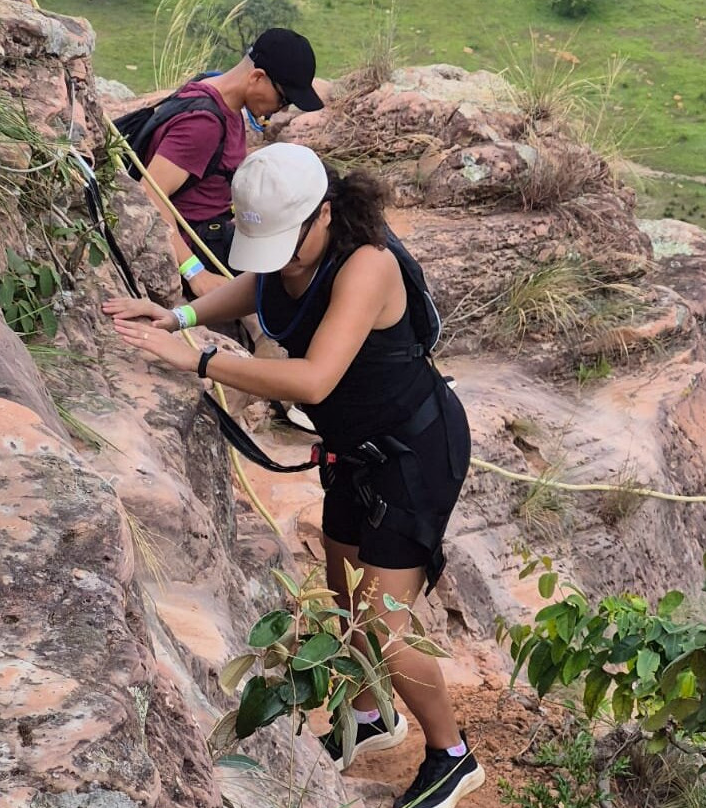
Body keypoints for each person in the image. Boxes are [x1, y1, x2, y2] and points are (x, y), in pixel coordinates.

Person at [102, 143, 484, 808]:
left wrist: (197, 359)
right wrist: (178, 315)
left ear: (325, 213)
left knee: (383, 623)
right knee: (344, 594)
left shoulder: (366, 265)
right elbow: (260, 286)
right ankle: (371, 715)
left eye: (288, 245)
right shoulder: (294, 253)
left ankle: (452, 756)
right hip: (355, 453)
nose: (280, 260)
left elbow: (313, 379)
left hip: (415, 453)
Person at [141, 28, 323, 299]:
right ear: (257, 77)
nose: (283, 109)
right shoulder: (203, 124)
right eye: (283, 99)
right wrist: (195, 273)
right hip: (198, 247)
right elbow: (149, 193)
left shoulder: (218, 95)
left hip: (219, 231)